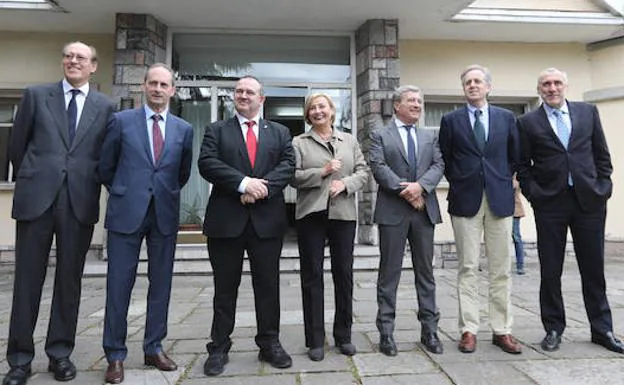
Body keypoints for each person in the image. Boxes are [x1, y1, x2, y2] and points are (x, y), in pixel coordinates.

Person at [3, 42, 114, 385]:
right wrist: (37, 178)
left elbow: (104, 156)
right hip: (37, 201)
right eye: (68, 56)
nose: (73, 61)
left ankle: (60, 354)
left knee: (69, 281)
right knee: (27, 281)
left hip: (78, 203)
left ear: (93, 66)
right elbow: (16, 147)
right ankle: (20, 360)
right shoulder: (36, 95)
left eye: (81, 57)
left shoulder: (105, 106)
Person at [517, 68, 623, 354]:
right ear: (539, 89)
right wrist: (534, 195)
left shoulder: (587, 112)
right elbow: (522, 165)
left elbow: (602, 154)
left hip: (589, 201)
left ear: (565, 86)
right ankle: (553, 328)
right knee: (550, 269)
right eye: (546, 84)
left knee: (594, 268)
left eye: (557, 83)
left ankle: (602, 330)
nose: (552, 88)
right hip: (550, 204)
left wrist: (603, 186)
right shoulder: (527, 122)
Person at [98, 63, 193, 383]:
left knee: (161, 285)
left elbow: (182, 173)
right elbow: (106, 166)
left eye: (163, 84)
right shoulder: (120, 122)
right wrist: (126, 191)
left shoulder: (183, 128)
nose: (157, 89)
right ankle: (114, 355)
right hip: (126, 213)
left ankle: (153, 348)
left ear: (172, 90)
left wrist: (160, 194)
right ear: (143, 86)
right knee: (118, 286)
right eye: (152, 83)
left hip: (163, 215)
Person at [198, 75, 295, 376]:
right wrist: (243, 184)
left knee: (268, 287)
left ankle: (269, 343)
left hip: (266, 223)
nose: (243, 95)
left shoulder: (279, 131)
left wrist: (261, 188)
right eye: (238, 91)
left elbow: (288, 165)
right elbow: (207, 164)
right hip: (226, 223)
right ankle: (219, 346)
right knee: (224, 289)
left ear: (261, 99)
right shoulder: (217, 130)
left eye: (249, 91)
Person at [439, 64, 522, 355]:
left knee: (501, 268)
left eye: (477, 81)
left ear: (488, 87)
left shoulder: (506, 118)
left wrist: (499, 180)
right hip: (465, 200)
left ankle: (502, 330)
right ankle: (469, 330)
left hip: (499, 199)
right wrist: (463, 181)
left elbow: (515, 157)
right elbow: (447, 159)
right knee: (468, 267)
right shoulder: (450, 120)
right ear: (464, 88)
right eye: (468, 82)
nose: (473, 85)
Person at [291, 93, 368, 361]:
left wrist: (344, 184)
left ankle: (343, 336)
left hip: (343, 215)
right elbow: (293, 177)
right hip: (311, 215)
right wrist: (322, 172)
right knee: (312, 276)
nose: (317, 111)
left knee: (343, 275)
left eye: (322, 106)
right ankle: (314, 339)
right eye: (312, 108)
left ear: (332, 110)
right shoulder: (299, 142)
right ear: (307, 114)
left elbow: (363, 172)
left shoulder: (349, 140)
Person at [368, 85, 445, 357]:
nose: (417, 105)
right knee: (389, 273)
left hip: (424, 210)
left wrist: (420, 188)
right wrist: (407, 192)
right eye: (411, 100)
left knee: (426, 273)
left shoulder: (429, 137)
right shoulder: (380, 135)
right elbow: (378, 167)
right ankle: (386, 332)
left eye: (420, 101)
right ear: (397, 106)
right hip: (393, 212)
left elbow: (438, 166)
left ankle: (430, 330)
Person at [512, 174, 526, 275]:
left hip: (515, 210)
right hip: (503, 210)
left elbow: (516, 185)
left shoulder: (516, 174)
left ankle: (520, 265)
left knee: (516, 237)